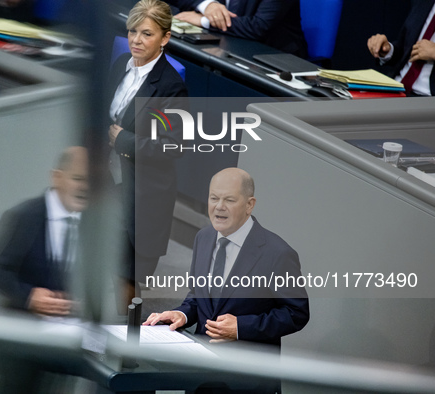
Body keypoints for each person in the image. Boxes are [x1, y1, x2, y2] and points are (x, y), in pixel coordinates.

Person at [144, 168, 309, 348]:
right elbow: (198, 295)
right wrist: (182, 314)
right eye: (214, 198)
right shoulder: (203, 237)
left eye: (229, 200)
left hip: (245, 367)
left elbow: (296, 313)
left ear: (249, 205)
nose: (219, 206)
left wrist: (241, 327)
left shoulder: (278, 253)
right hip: (200, 359)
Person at [0, 146, 88, 393]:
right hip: (18, 348)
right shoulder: (24, 216)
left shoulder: (95, 223)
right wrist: (29, 296)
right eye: (78, 179)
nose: (85, 188)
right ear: (56, 177)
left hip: (65, 348)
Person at [108, 0, 188, 302]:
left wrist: (123, 141)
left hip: (142, 191)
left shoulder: (170, 87)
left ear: (165, 38)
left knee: (125, 278)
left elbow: (174, 145)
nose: (136, 41)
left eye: (146, 34)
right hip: (108, 179)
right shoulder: (120, 66)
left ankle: (126, 344)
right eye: (132, 32)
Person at [170, 0, 307, 58]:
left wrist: (203, 20)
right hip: (225, 42)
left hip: (271, 55)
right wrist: (206, 4)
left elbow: (258, 26)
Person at [367, 0, 435, 96]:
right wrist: (387, 50)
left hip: (426, 98)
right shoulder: (423, 3)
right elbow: (404, 48)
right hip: (396, 88)